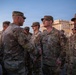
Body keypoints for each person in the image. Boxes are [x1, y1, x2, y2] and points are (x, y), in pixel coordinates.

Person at [1, 11, 33, 75]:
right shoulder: (17, 29)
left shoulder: (7, 30)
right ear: (18, 18)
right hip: (17, 66)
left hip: (7, 63)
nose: (24, 21)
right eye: (23, 18)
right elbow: (29, 47)